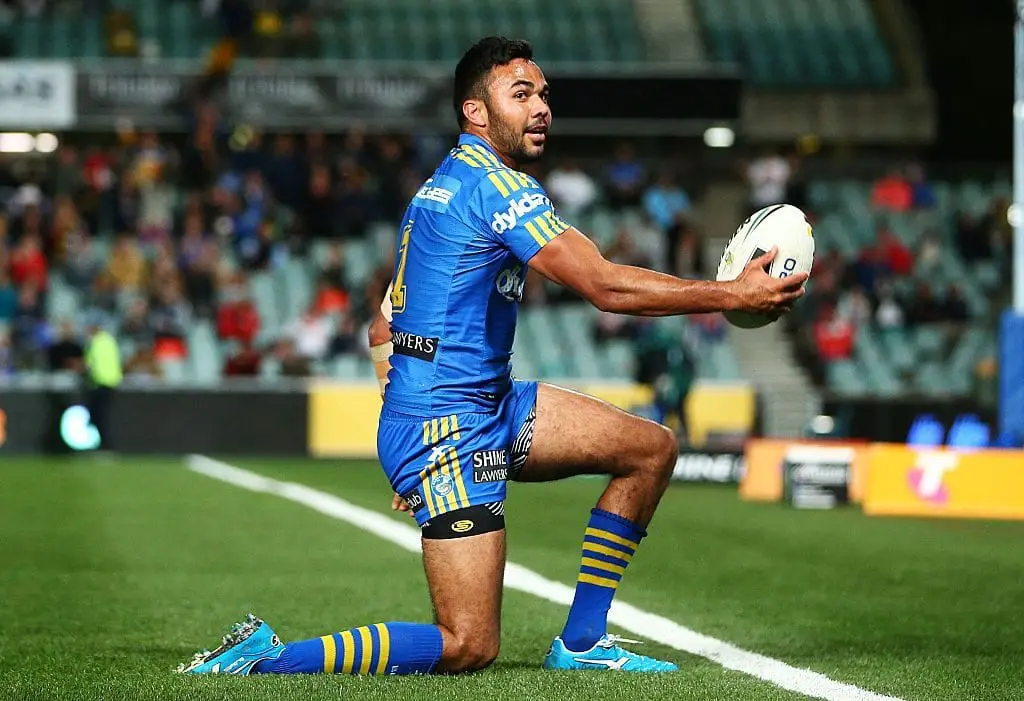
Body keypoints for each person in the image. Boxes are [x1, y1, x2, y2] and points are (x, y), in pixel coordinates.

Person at [179, 36, 804, 678]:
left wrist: (401, 425)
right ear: (476, 112)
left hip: (482, 411)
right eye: (522, 94)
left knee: (650, 449)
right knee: (469, 644)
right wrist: (732, 292)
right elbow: (604, 286)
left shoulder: (439, 190)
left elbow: (380, 325)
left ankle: (583, 642)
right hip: (447, 430)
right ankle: (270, 660)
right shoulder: (495, 189)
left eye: (544, 96)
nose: (541, 109)